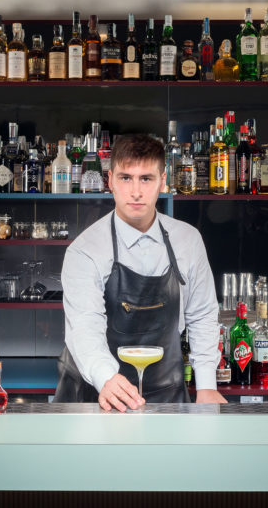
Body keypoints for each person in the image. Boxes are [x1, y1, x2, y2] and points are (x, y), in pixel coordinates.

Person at [54, 133, 226, 411]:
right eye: (125, 178)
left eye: (146, 178)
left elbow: (202, 314)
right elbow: (84, 328)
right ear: (110, 180)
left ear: (163, 179)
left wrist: (206, 386)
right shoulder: (84, 250)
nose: (136, 191)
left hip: (166, 390)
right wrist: (106, 378)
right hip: (97, 393)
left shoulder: (188, 240)